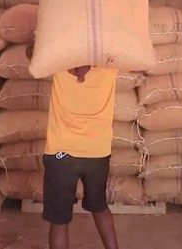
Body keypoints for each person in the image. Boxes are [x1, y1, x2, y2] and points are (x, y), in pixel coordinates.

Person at [42, 65, 119, 249]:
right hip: (97, 151)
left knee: (59, 220)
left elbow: (32, 53)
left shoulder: (58, 62)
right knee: (100, 206)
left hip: (61, 153)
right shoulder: (109, 65)